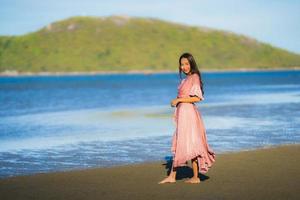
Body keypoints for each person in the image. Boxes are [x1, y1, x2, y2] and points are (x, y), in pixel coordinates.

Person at [159, 52, 216, 184]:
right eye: (181, 64)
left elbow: (198, 97)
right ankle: (187, 177)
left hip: (188, 114)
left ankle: (184, 177)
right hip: (184, 113)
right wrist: (179, 102)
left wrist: (178, 100)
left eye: (186, 64)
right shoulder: (186, 79)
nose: (183, 67)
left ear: (191, 64)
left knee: (187, 142)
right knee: (186, 142)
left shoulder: (194, 77)